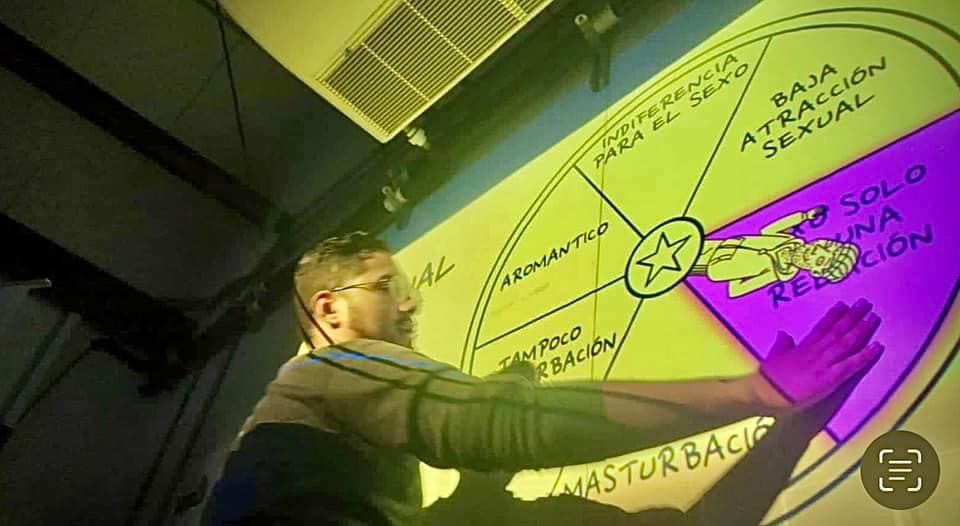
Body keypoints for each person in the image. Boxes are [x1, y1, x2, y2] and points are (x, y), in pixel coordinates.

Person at [202, 231, 884, 525]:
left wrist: (792, 427)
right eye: (388, 287)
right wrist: (755, 393)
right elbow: (501, 425)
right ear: (329, 310)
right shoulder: (327, 368)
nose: (409, 305)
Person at [690, 207, 859, 297]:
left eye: (819, 260)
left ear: (816, 271)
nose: (811, 253)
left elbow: (736, 291)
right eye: (817, 247)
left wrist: (735, 270)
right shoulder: (787, 240)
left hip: (707, 266)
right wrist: (804, 217)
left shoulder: (776, 273)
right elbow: (768, 230)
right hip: (714, 245)